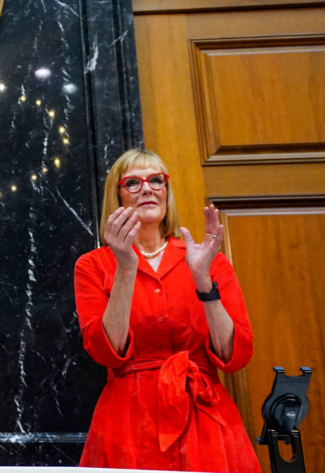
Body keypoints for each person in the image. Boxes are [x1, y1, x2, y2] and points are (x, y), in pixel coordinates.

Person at [74, 149, 259, 471]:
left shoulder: (208, 260)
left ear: (166, 190)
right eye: (133, 182)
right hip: (128, 423)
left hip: (204, 417)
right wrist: (126, 268)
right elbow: (107, 351)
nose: (147, 188)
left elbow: (236, 356)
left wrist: (203, 282)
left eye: (156, 180)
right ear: (116, 196)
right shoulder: (93, 265)